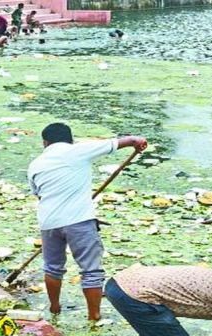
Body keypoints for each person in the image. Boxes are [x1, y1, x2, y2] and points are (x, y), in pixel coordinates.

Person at [27, 123, 147, 322]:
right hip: (79, 220)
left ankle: (54, 308)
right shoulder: (78, 150)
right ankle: (94, 315)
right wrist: (137, 142)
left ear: (45, 143)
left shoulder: (35, 164)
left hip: (48, 222)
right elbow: (123, 142)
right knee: (91, 270)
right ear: (70, 140)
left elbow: (39, 194)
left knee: (52, 267)